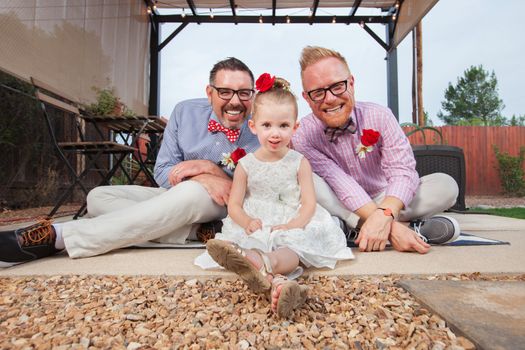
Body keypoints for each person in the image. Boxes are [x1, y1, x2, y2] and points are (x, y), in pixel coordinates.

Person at [0, 57, 261, 267]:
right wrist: (201, 176)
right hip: (175, 196)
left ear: (253, 93)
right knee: (98, 197)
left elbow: (256, 187)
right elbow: (162, 171)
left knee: (192, 193)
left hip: (223, 204)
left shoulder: (262, 126)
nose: (235, 101)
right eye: (225, 92)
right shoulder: (184, 111)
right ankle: (196, 233)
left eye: (244, 93)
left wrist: (211, 169)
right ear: (210, 92)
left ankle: (60, 237)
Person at [195, 73, 354, 318]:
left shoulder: (299, 162)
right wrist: (247, 222)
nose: (275, 133)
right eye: (267, 125)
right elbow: (234, 205)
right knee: (259, 238)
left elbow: (309, 202)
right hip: (258, 220)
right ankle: (279, 284)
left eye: (283, 126)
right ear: (253, 125)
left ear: (295, 127)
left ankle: (260, 262)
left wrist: (295, 224)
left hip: (292, 217)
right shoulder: (246, 165)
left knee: (293, 247)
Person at [292, 46, 460, 254]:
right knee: (308, 181)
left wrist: (385, 214)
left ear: (351, 83)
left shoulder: (380, 115)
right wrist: (385, 220)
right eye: (318, 92)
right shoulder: (302, 134)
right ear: (307, 98)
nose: (330, 99)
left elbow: (402, 171)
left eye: (337, 86)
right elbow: (338, 181)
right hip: (339, 201)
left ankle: (349, 229)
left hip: (386, 197)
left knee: (447, 185)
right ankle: (408, 229)